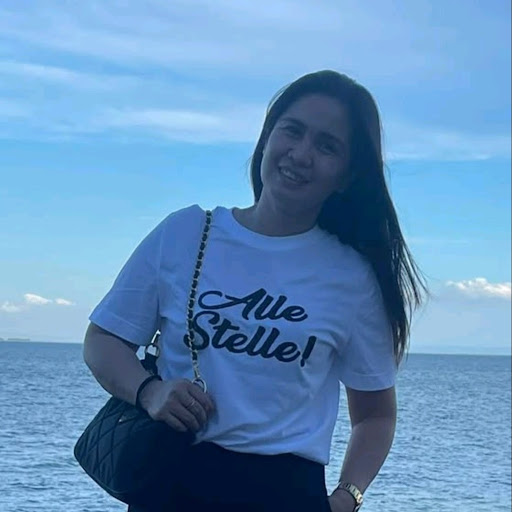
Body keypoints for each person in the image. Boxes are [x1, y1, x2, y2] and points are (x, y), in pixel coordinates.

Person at [83, 70, 427, 511]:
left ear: (346, 175)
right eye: (292, 130)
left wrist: (348, 497)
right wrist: (150, 392)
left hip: (285, 493)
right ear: (266, 139)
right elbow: (102, 340)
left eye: (327, 146)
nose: (301, 154)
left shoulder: (353, 278)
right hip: (170, 481)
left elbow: (376, 415)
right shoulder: (186, 233)